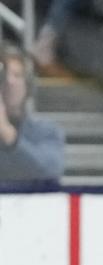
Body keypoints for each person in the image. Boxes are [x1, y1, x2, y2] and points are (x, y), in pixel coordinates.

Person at [0, 46, 66, 183]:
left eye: (17, 75)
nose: (9, 82)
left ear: (28, 85)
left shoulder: (46, 131)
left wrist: (9, 135)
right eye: (3, 76)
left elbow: (50, 170)